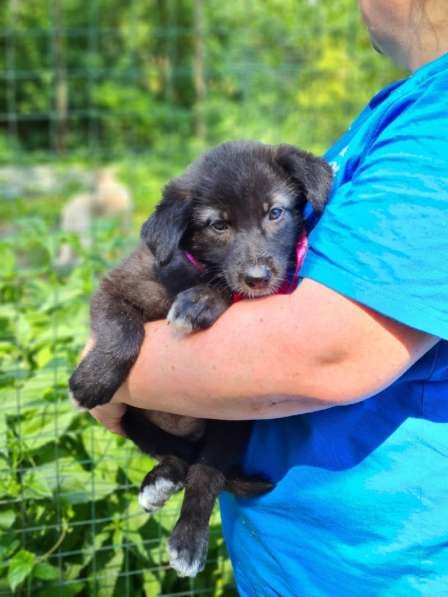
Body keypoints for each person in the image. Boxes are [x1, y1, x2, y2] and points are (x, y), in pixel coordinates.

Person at [89, 0, 448, 594]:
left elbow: (323, 353)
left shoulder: (439, 124)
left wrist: (118, 367)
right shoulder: (402, 109)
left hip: (393, 572)